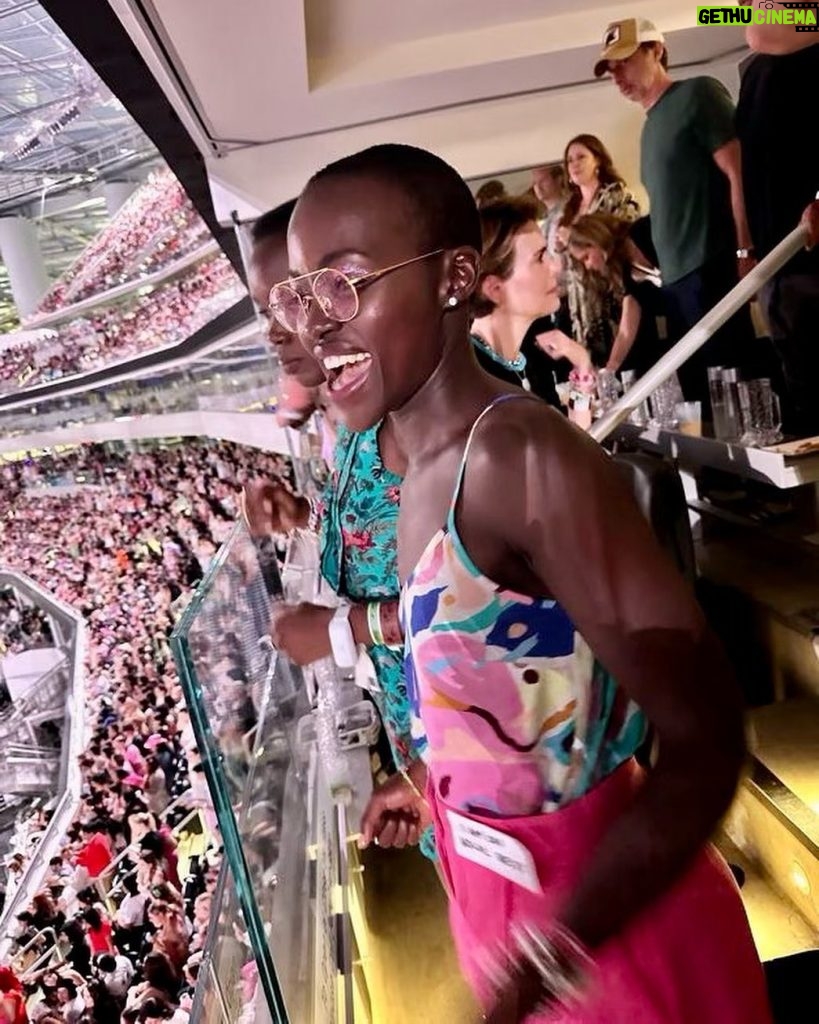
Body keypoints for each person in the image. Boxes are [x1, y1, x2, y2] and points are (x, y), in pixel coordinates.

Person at [285, 142, 771, 1023]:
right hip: (506, 916)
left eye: (345, 283)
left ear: (451, 277)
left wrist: (556, 948)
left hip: (614, 947)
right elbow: (503, 681)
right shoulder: (410, 460)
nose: (316, 324)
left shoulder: (519, 458)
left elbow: (705, 740)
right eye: (300, 293)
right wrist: (436, 786)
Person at [595, 17, 756, 405]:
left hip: (711, 265)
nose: (618, 77)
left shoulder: (697, 94)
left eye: (626, 62)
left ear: (656, 51)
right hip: (678, 280)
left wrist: (745, 250)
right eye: (612, 70)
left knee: (734, 381)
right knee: (704, 392)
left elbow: (739, 172)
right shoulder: (650, 128)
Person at [735, 2, 819, 436]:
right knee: (804, 399)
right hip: (778, 262)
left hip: (810, 253)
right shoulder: (755, 74)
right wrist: (748, 248)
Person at [469, 196, 590, 403]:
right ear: (494, 289)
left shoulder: (529, 358)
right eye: (540, 257)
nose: (555, 267)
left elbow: (575, 435)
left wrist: (582, 365)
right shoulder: (471, 381)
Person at [565, 212, 659, 373]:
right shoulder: (626, 271)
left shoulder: (642, 231)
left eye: (586, 257)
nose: (587, 266)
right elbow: (626, 328)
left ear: (595, 240)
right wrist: (611, 368)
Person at [530, 165, 566, 256]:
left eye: (543, 181)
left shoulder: (569, 210)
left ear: (558, 179)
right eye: (534, 183)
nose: (538, 187)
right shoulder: (542, 219)